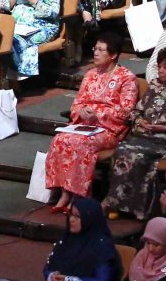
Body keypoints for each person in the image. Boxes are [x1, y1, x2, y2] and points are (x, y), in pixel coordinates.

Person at [105, 48, 166, 219]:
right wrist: (140, 121)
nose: (160, 70)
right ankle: (116, 203)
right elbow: (136, 111)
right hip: (142, 136)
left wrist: (165, 129)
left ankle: (137, 209)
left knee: (136, 156)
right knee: (121, 150)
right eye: (159, 66)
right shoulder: (155, 85)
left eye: (165, 67)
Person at [46, 34, 139, 209]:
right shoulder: (90, 75)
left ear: (113, 55)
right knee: (61, 140)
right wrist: (81, 111)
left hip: (109, 129)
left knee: (81, 143)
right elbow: (77, 103)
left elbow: (126, 111)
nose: (95, 53)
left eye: (101, 50)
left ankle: (78, 196)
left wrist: (99, 115)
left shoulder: (127, 77)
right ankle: (65, 192)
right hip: (85, 125)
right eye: (95, 49)